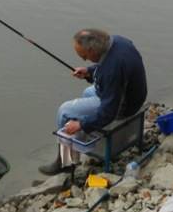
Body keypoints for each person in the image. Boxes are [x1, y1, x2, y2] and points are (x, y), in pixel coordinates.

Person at [39, 28, 148, 174]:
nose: (84, 59)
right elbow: (106, 67)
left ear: (92, 50)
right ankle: (81, 144)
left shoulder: (112, 70)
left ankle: (65, 163)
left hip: (126, 106)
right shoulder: (118, 42)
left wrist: (81, 124)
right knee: (87, 92)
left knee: (64, 110)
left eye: (84, 56)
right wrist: (90, 71)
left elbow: (109, 112)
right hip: (132, 94)